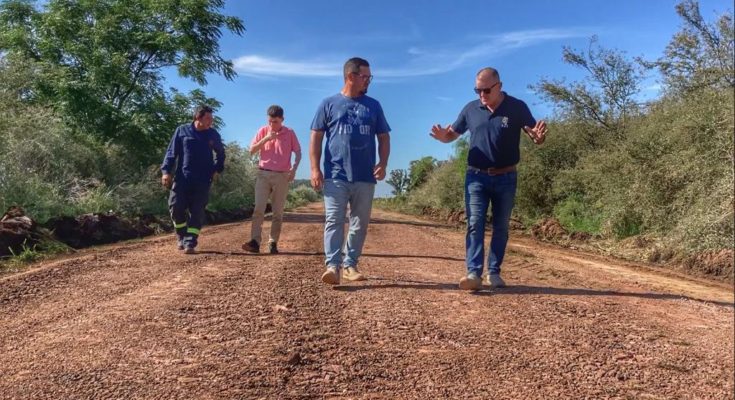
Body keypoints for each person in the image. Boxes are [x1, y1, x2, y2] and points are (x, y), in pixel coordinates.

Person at [430, 67, 547, 290]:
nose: (482, 95)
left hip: (506, 177)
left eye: (486, 90)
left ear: (499, 86)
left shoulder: (517, 107)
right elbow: (452, 134)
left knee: (501, 226)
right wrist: (443, 138)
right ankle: (473, 273)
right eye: (477, 90)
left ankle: (494, 272)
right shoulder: (471, 109)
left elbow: (534, 134)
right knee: (475, 223)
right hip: (476, 177)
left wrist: (538, 138)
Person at [310, 57, 391, 285]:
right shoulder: (328, 104)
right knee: (334, 220)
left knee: (359, 222)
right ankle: (332, 266)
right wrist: (315, 169)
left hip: (365, 176)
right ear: (350, 77)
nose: (368, 81)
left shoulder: (373, 105)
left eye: (369, 77)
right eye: (365, 77)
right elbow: (316, 136)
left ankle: (350, 265)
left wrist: (382, 163)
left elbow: (384, 137)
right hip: (336, 174)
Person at [161, 105, 226, 254]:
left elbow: (221, 154)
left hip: (203, 180)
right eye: (208, 118)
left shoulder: (213, 135)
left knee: (197, 211)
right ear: (198, 117)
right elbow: (171, 152)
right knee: (176, 206)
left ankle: (190, 242)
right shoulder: (182, 130)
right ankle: (181, 236)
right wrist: (166, 172)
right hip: (182, 178)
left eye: (212, 119)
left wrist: (217, 169)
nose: (211, 121)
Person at [242, 105, 302, 254]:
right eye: (270, 121)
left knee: (277, 212)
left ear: (282, 119)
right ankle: (255, 242)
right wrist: (267, 138)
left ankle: (273, 242)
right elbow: (252, 150)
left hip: (282, 175)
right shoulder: (263, 131)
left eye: (275, 121)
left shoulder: (290, 133)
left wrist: (293, 170)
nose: (272, 124)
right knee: (258, 209)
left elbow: (299, 152)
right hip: (263, 174)